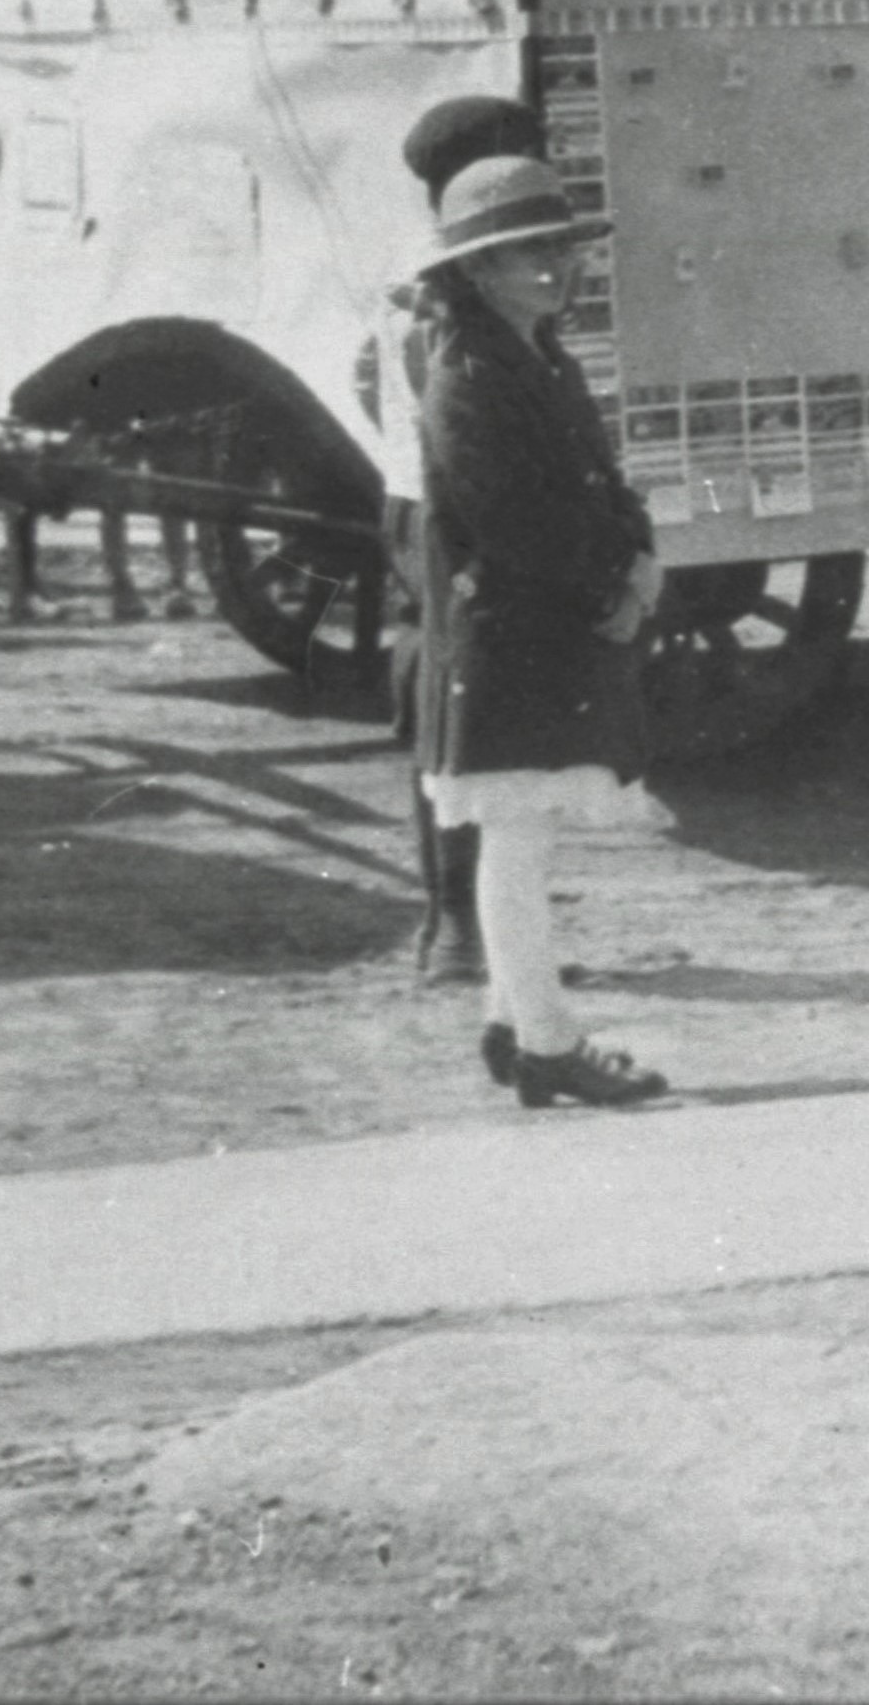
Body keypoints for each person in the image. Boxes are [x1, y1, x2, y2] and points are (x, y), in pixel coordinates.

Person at [405, 156, 667, 1110]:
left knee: (528, 835)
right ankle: (551, 1042)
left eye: (559, 247)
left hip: (543, 629)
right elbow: (516, 519)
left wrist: (638, 556)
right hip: (508, 637)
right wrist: (613, 580)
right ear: (476, 271)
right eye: (526, 253)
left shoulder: (538, 356)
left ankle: (512, 1022)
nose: (553, 268)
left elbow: (596, 477)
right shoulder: (467, 376)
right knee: (515, 841)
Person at [359, 93, 558, 989]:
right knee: (473, 715)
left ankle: (460, 929)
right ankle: (461, 935)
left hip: (408, 498)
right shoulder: (456, 281)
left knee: (449, 706)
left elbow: (367, 383)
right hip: (454, 508)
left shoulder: (416, 263)